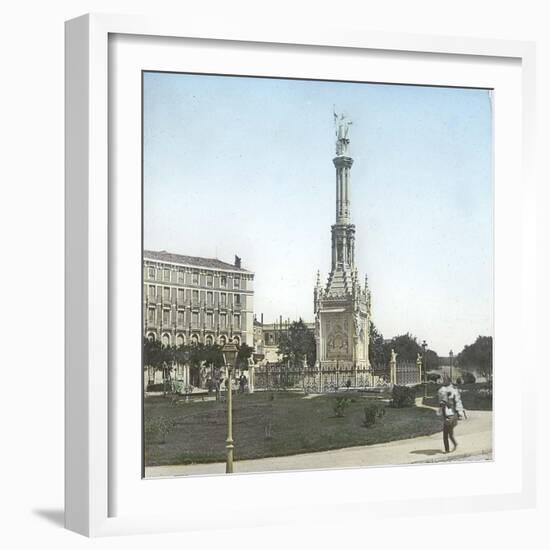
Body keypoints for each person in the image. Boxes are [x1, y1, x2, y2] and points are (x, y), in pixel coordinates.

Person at [437, 376, 465, 453]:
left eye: (445, 380)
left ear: (449, 381)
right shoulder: (442, 389)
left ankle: (447, 450)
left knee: (446, 434)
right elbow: (441, 402)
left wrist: (460, 412)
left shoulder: (453, 389)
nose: (443, 381)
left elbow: (458, 401)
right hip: (447, 414)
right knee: (450, 433)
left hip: (451, 415)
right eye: (443, 380)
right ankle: (455, 444)